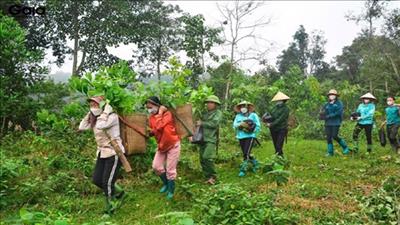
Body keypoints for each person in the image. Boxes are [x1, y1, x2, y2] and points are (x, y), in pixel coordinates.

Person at [78, 96, 126, 215]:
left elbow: (101, 126)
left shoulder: (112, 117)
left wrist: (106, 111)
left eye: (95, 104)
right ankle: (120, 193)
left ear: (103, 105)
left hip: (114, 153)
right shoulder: (96, 119)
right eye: (91, 105)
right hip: (102, 153)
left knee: (107, 182)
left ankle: (110, 208)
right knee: (97, 180)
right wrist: (89, 115)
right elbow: (82, 127)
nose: (93, 106)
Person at [146, 96, 180, 200]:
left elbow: (160, 126)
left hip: (173, 144)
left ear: (157, 106)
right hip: (162, 145)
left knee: (170, 170)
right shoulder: (151, 118)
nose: (149, 109)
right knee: (156, 166)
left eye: (151, 106)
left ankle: (171, 190)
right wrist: (150, 132)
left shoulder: (167, 114)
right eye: (147, 107)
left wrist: (160, 113)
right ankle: (166, 183)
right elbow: (155, 129)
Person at [195, 95, 222, 185]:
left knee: (207, 157)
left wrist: (202, 123)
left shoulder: (218, 113)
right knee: (202, 159)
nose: (209, 104)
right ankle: (207, 177)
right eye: (208, 103)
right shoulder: (204, 113)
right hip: (202, 138)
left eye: (211, 103)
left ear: (215, 104)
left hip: (211, 139)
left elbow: (214, 124)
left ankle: (213, 176)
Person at [233, 101, 261, 177]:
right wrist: (240, 125)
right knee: (246, 153)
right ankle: (255, 163)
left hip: (250, 136)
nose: (243, 108)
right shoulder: (238, 116)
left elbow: (258, 126)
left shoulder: (253, 115)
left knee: (246, 153)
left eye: (244, 106)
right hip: (241, 136)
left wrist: (251, 129)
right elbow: (234, 125)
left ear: (248, 107)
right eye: (241, 107)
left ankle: (243, 169)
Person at [323, 89, 350, 156]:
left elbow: (338, 112)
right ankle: (330, 152)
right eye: (330, 95)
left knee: (334, 136)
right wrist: (322, 115)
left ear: (336, 96)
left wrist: (329, 116)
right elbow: (324, 112)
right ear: (329, 96)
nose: (331, 96)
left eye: (333, 95)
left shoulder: (339, 103)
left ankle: (345, 147)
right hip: (327, 123)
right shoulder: (326, 104)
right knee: (328, 137)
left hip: (336, 122)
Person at [264, 92, 290, 156]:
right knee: (276, 145)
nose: (278, 101)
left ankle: (278, 157)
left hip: (281, 128)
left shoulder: (286, 109)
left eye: (279, 100)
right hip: (273, 129)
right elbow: (271, 115)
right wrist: (266, 118)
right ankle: (279, 157)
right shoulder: (274, 108)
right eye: (277, 100)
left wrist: (271, 124)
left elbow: (280, 119)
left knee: (279, 145)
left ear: (283, 100)